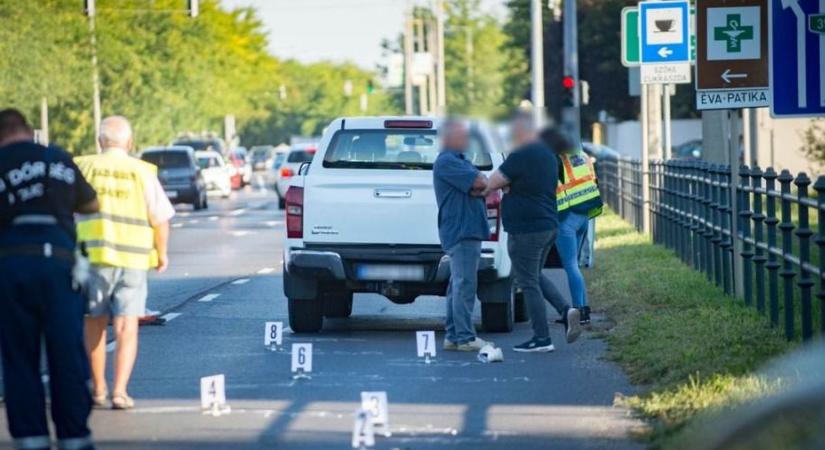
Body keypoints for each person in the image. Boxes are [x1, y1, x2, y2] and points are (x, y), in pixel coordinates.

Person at [0, 109, 98, 450]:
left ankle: (31, 438)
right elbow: (91, 203)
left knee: (19, 356)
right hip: (59, 264)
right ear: (29, 130)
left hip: (11, 267)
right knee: (66, 352)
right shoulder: (57, 158)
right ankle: (74, 436)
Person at [76, 116, 175, 410]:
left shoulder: (83, 167)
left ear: (99, 142)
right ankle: (120, 392)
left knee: (93, 323)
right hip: (132, 258)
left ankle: (98, 389)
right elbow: (160, 219)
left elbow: (66, 212)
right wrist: (162, 253)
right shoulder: (141, 171)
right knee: (126, 326)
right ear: (129, 143)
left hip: (91, 257)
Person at [485, 115, 581, 352]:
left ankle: (542, 339)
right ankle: (566, 310)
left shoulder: (520, 155)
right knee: (535, 275)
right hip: (548, 225)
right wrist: (508, 184)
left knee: (527, 282)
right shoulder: (548, 154)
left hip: (526, 229)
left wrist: (506, 186)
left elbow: (491, 182)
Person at [433, 119, 494, 352]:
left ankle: (453, 335)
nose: (467, 140)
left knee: (456, 285)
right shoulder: (449, 161)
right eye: (462, 135)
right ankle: (466, 338)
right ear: (448, 138)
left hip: (463, 228)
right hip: (462, 229)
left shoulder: (458, 160)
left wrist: (478, 184)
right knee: (465, 284)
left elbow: (480, 185)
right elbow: (480, 182)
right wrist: (478, 184)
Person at [541, 127, 603, 324]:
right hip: (583, 213)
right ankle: (583, 310)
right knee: (574, 265)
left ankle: (579, 311)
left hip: (566, 216)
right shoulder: (582, 155)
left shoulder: (555, 160)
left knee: (570, 266)